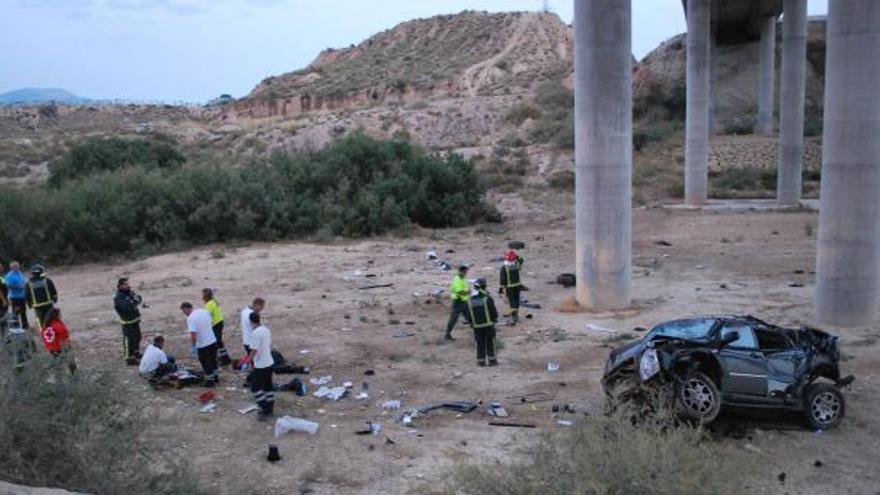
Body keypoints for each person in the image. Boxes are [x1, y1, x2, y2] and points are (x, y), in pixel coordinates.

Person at [243, 311, 274, 420]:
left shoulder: (255, 333)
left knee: (255, 387)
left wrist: (247, 361)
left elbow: (253, 350)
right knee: (267, 385)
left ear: (251, 321)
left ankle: (264, 407)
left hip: (261, 364)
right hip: (269, 362)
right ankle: (270, 406)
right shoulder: (266, 330)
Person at [180, 301, 219, 387]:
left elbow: (193, 334)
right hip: (212, 340)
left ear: (187, 308)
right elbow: (211, 322)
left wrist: (193, 345)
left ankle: (210, 381)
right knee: (213, 360)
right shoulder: (203, 311)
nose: (184, 314)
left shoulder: (190, 318)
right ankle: (216, 377)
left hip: (203, 344)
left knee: (205, 362)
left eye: (184, 311)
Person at [463, 278, 499, 367]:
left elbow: (468, 315)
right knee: (490, 342)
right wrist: (494, 319)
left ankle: (481, 361)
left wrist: (471, 323)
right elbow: (493, 312)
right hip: (489, 325)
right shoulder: (487, 298)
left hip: (477, 327)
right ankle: (492, 360)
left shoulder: (470, 300)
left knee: (480, 343)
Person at [114, 277, 145, 365]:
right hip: (127, 322)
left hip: (135, 320)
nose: (128, 285)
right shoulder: (119, 297)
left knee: (138, 337)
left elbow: (139, 298)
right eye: (126, 284)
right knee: (129, 341)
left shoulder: (129, 292)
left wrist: (134, 301)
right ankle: (129, 359)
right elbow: (127, 306)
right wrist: (133, 302)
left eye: (128, 284)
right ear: (120, 286)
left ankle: (136, 353)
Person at [40, 307, 76, 374]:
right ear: (56, 316)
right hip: (59, 347)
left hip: (51, 349)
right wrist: (69, 350)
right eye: (59, 314)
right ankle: (74, 373)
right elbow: (64, 340)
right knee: (70, 359)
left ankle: (57, 374)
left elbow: (43, 337)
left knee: (57, 363)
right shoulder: (59, 326)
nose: (61, 316)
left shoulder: (44, 326)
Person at [202, 288, 231, 367]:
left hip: (215, 324)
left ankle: (224, 358)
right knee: (218, 341)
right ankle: (225, 357)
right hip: (219, 322)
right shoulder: (214, 301)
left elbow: (207, 316)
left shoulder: (209, 304)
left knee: (217, 342)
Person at [26, 263, 57, 329]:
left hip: (37, 306)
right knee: (50, 319)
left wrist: (29, 304)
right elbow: (53, 291)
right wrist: (55, 299)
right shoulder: (47, 280)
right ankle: (51, 333)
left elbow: (27, 295)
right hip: (48, 304)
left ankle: (43, 334)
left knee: (40, 321)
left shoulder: (29, 283)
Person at [499, 250, 525, 326]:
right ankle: (516, 314)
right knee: (517, 300)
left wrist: (500, 289)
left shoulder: (504, 267)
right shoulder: (516, 265)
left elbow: (502, 279)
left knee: (512, 300)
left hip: (509, 287)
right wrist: (516, 256)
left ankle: (514, 316)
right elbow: (521, 259)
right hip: (518, 286)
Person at [445, 264, 470, 341]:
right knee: (453, 319)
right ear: (461, 271)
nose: (466, 273)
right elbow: (460, 292)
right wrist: (469, 292)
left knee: (470, 317)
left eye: (466, 271)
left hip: (464, 301)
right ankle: (447, 334)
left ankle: (478, 332)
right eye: (465, 271)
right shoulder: (457, 279)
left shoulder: (462, 279)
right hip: (458, 302)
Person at [5, 261, 29, 329]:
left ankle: (25, 325)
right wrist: (19, 287)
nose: (17, 267)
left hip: (22, 296)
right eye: (15, 266)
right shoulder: (9, 275)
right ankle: (16, 326)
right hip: (15, 297)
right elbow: (9, 286)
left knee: (23, 311)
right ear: (11, 267)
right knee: (16, 312)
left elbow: (24, 280)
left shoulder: (19, 273)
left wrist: (27, 282)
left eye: (17, 266)